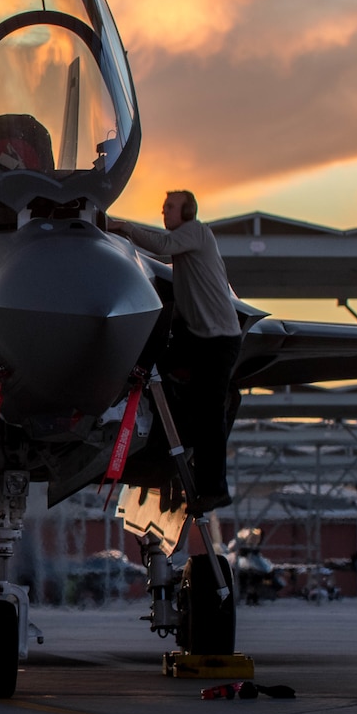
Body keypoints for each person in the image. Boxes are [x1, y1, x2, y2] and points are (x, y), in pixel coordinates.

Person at [109, 189, 242, 512]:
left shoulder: (196, 232)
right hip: (198, 338)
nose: (163, 210)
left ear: (188, 211)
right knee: (162, 378)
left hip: (218, 341)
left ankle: (214, 489)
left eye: (170, 207)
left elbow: (160, 245)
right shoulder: (185, 252)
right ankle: (168, 454)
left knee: (210, 416)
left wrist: (123, 228)